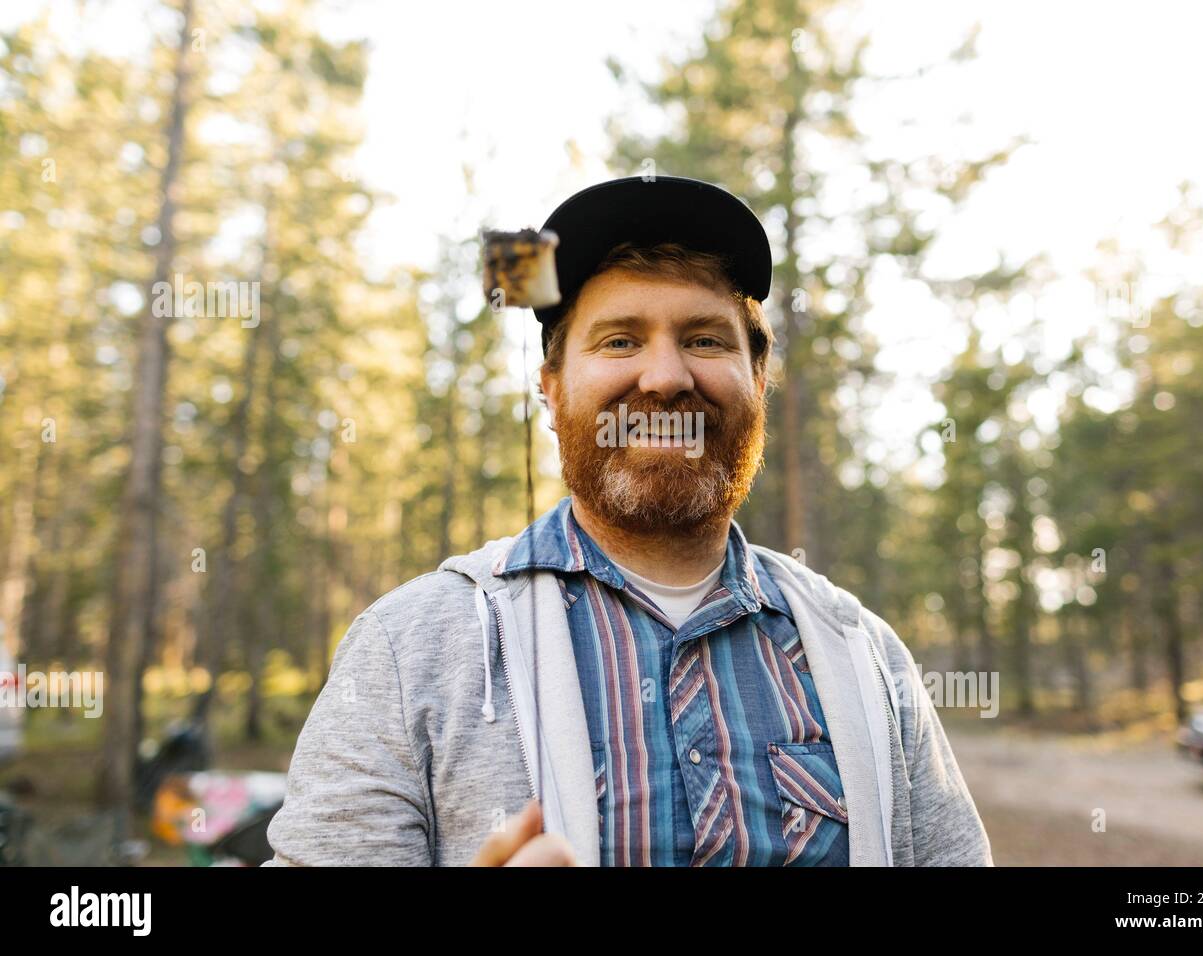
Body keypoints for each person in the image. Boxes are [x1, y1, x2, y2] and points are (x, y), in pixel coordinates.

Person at [264, 176, 993, 867]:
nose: (667, 377)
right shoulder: (409, 649)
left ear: (758, 381)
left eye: (705, 339)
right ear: (550, 390)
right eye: (619, 341)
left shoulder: (864, 653)